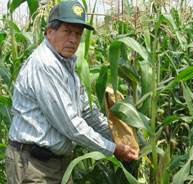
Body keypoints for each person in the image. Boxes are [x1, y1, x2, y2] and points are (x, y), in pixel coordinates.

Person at [5, 1, 138, 183]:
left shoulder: (66, 64)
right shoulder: (45, 65)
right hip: (33, 165)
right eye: (67, 31)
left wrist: (121, 138)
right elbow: (71, 126)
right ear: (50, 32)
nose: (73, 39)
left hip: (57, 163)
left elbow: (86, 112)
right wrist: (114, 149)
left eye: (78, 33)